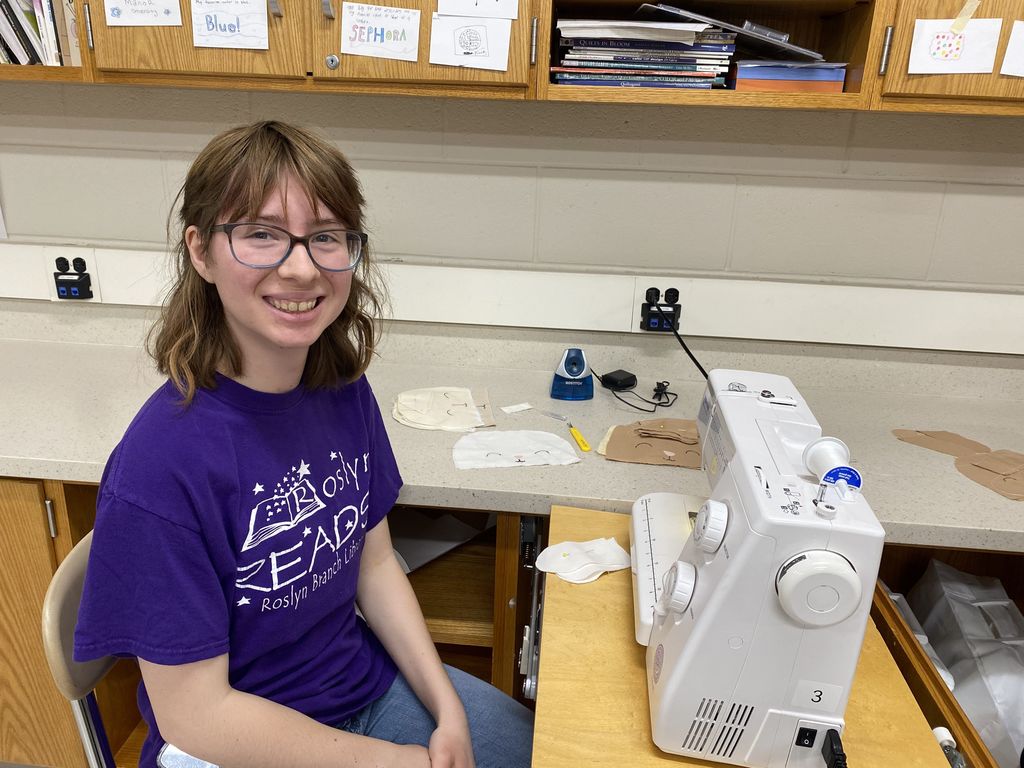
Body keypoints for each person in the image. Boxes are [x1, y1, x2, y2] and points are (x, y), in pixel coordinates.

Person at [74, 120, 534, 768]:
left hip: (356, 690)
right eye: (262, 235)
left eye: (325, 237)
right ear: (201, 252)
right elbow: (195, 714)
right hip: (232, 740)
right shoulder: (161, 466)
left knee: (545, 746)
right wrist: (386, 762)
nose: (301, 267)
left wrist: (447, 710)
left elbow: (373, 565)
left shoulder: (338, 387)